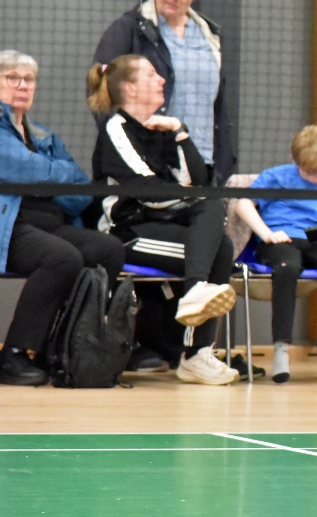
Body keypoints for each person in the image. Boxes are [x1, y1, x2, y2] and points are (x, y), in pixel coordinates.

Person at [87, 54, 239, 386]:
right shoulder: (116, 129)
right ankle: (194, 348)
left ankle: (197, 346)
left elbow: (201, 182)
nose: (162, 80)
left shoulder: (164, 129)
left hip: (164, 222)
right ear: (130, 88)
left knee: (220, 235)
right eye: (152, 74)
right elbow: (146, 190)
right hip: (127, 232)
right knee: (217, 248)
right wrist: (187, 193)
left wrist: (180, 132)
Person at [0, 51, 127, 386]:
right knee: (61, 258)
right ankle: (13, 354)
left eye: (29, 79)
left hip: (51, 221)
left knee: (108, 250)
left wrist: (48, 179)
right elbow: (21, 168)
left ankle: (59, 347)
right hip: (9, 226)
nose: (23, 85)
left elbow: (80, 190)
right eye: (12, 78)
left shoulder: (43, 135)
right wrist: (55, 176)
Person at [232, 126, 317, 385]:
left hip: (316, 244)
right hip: (281, 241)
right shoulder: (276, 177)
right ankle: (282, 348)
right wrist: (267, 234)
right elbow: (243, 204)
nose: (316, 178)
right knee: (287, 267)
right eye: (309, 172)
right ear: (297, 163)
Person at [94, 0, 234, 182]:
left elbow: (218, 104)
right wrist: (128, 142)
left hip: (202, 158)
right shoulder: (129, 29)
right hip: (156, 161)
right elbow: (101, 88)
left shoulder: (210, 36)